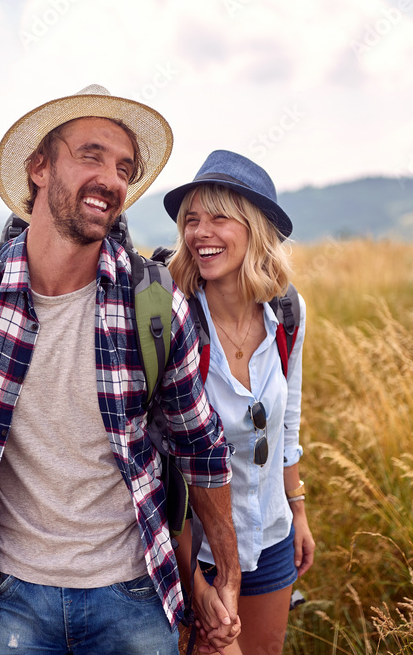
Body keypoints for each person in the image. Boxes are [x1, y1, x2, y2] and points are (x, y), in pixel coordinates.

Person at [0, 86, 243, 655]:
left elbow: (198, 444)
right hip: (7, 593)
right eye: (92, 155)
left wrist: (224, 573)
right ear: (39, 167)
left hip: (135, 595)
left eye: (124, 168)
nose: (112, 179)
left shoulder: (154, 301)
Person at [165, 150, 316, 654]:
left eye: (218, 217)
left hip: (271, 532)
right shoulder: (173, 322)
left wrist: (297, 512)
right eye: (191, 219)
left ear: (255, 229)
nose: (199, 232)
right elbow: (167, 461)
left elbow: (286, 422)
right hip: (196, 547)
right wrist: (195, 582)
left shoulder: (286, 314)